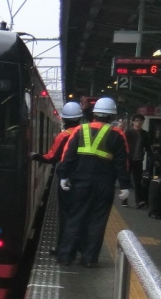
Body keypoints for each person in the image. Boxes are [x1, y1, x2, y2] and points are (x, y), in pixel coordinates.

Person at [57, 96, 131, 266]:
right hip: (104, 185)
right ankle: (89, 259)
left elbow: (67, 156)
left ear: (95, 114)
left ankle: (66, 256)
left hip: (80, 184)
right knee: (97, 222)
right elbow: (122, 162)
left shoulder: (79, 130)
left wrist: (63, 175)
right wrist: (125, 186)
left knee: (75, 219)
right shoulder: (117, 134)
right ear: (112, 116)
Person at [33, 101, 86, 249]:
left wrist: (34, 156)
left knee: (66, 215)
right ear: (79, 119)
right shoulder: (86, 134)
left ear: (64, 119)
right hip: (84, 180)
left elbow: (51, 158)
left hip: (66, 180)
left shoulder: (64, 136)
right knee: (81, 214)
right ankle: (80, 246)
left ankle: (63, 246)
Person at [124, 114, 148, 208]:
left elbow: (148, 148)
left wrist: (155, 159)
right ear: (133, 122)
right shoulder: (128, 132)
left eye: (141, 121)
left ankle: (139, 201)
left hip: (138, 160)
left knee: (138, 181)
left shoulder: (145, 134)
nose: (139, 123)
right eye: (137, 120)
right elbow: (123, 146)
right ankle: (124, 200)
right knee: (125, 180)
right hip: (127, 160)